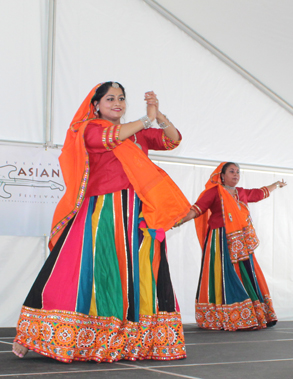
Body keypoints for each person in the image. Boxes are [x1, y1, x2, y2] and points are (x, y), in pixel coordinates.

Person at [12, 82, 191, 362]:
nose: (117, 103)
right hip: (102, 213)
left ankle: (130, 339)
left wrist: (158, 116)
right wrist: (145, 120)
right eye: (110, 99)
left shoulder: (138, 133)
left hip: (137, 214)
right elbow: (112, 137)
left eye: (121, 98)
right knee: (88, 271)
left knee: (138, 272)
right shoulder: (91, 128)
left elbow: (172, 140)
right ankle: (38, 335)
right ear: (96, 104)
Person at [177, 162, 286, 330]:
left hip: (241, 241)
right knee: (223, 274)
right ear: (222, 175)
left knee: (245, 273)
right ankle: (224, 314)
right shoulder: (213, 192)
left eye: (238, 172)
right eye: (232, 171)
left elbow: (259, 193)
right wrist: (180, 221)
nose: (236, 174)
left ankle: (251, 313)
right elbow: (197, 210)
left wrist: (276, 185)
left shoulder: (241, 192)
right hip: (219, 240)